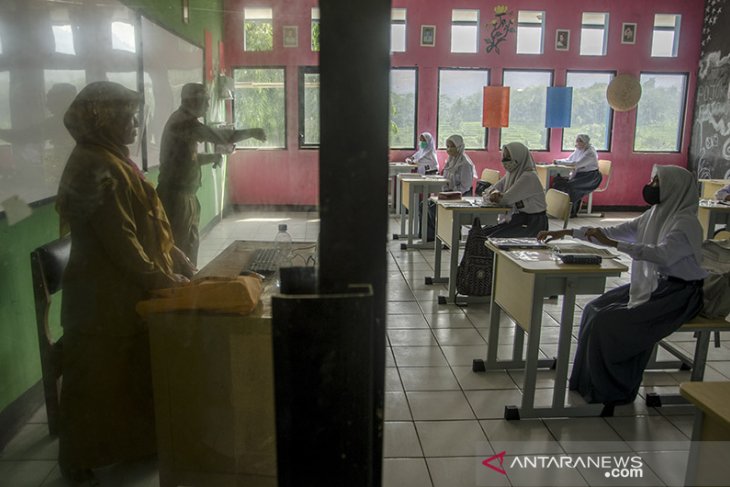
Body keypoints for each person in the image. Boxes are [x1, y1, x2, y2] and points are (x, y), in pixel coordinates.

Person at [56, 81, 195, 484]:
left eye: (136, 115)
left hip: (120, 291)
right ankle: (78, 460)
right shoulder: (93, 165)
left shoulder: (112, 158)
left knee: (131, 372)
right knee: (95, 381)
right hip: (100, 299)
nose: (136, 124)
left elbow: (148, 222)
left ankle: (133, 444)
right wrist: (161, 278)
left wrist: (177, 258)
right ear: (104, 120)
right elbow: (122, 241)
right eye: (128, 117)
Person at [537, 165, 706, 409]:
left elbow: (664, 255)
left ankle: (613, 390)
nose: (652, 186)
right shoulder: (655, 214)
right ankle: (587, 383)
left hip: (680, 294)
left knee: (609, 322)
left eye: (658, 182)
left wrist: (615, 244)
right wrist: (568, 232)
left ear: (675, 189)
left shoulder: (686, 222)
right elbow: (611, 231)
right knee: (593, 309)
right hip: (657, 285)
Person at [157, 82, 266, 265]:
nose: (208, 105)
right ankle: (181, 287)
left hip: (185, 195)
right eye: (205, 100)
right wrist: (252, 132)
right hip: (176, 198)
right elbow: (222, 137)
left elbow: (185, 159)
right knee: (180, 249)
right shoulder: (183, 123)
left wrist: (211, 157)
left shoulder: (183, 121)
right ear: (193, 100)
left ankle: (189, 284)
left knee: (189, 245)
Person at [483, 142, 548, 236]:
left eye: (509, 157)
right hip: (518, 219)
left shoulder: (529, 177)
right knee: (481, 234)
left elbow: (505, 200)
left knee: (490, 238)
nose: (505, 161)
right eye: (504, 157)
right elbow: (488, 191)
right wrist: (494, 194)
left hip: (533, 224)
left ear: (519, 157)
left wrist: (495, 196)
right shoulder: (511, 174)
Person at [424, 134, 476, 241]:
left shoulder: (465, 164)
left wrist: (451, 193)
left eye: (452, 146)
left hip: (461, 195)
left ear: (459, 146)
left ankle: (449, 237)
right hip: (449, 194)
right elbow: (445, 178)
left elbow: (465, 186)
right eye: (447, 146)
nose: (449, 149)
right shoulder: (450, 160)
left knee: (433, 207)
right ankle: (431, 237)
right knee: (425, 204)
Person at [551, 134, 602, 217]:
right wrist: (558, 161)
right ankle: (560, 209)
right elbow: (569, 160)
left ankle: (572, 211)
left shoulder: (590, 152)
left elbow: (576, 164)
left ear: (585, 142)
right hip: (581, 175)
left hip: (591, 177)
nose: (577, 142)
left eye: (579, 141)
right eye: (577, 140)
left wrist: (559, 162)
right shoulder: (579, 149)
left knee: (571, 187)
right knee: (558, 182)